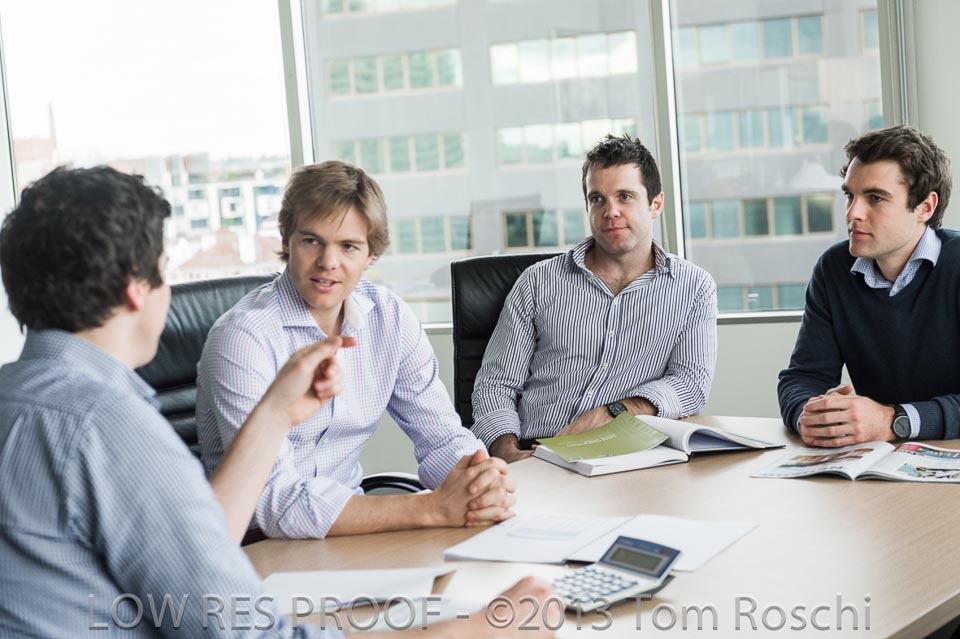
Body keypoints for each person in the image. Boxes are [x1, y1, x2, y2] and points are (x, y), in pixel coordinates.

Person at [0, 165, 553, 638]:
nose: (328, 261)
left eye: (348, 246)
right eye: (163, 269)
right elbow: (238, 627)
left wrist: (274, 415)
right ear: (134, 288)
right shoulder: (111, 427)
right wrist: (470, 631)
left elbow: (198, 546)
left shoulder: (21, 398)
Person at [197, 161, 514, 539]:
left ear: (370, 254)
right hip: (257, 545)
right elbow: (275, 502)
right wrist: (432, 508)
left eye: (348, 246)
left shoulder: (389, 317)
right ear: (286, 240)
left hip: (350, 534)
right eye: (311, 241)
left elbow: (442, 437)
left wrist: (479, 480)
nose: (328, 263)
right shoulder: (244, 337)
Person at [472, 134, 718, 463]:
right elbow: (495, 384)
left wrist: (616, 412)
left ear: (655, 204)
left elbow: (690, 383)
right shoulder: (538, 282)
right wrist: (506, 451)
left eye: (625, 197)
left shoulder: (694, 287)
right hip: (536, 452)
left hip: (626, 458)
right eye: (597, 199)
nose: (610, 212)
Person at [778, 125, 959, 447]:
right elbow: (805, 377)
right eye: (850, 195)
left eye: (875, 198)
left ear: (925, 207)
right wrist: (810, 416)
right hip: (879, 460)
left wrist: (894, 420)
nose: (853, 213)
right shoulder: (834, 269)